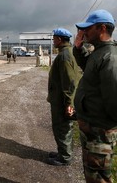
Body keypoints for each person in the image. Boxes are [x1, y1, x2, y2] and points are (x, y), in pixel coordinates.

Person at [73, 9, 117, 182]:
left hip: (100, 131)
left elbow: (114, 99)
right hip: (92, 128)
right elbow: (89, 70)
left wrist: (105, 128)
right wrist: (78, 48)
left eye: (88, 28)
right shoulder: (98, 52)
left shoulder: (110, 58)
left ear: (102, 28)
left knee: (99, 177)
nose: (84, 32)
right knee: (92, 172)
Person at [47, 28, 82, 166]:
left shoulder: (64, 56)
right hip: (60, 99)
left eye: (54, 38)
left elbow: (69, 82)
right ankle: (62, 151)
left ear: (60, 40)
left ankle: (65, 157)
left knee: (62, 128)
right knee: (62, 128)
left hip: (61, 101)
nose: (53, 41)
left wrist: (69, 103)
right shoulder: (66, 53)